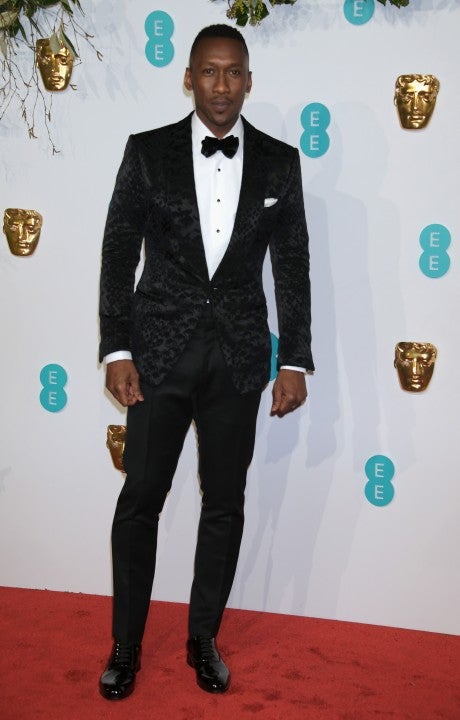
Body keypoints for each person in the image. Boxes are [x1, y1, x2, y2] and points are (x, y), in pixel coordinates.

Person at [98, 23, 314, 700]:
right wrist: (117, 348)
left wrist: (295, 360)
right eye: (210, 72)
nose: (222, 85)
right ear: (189, 78)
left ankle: (203, 638)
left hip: (239, 358)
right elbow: (117, 251)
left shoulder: (280, 162)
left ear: (249, 81)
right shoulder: (147, 152)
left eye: (233, 72)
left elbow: (293, 266)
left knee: (225, 503)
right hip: (157, 356)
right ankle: (125, 647)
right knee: (141, 500)